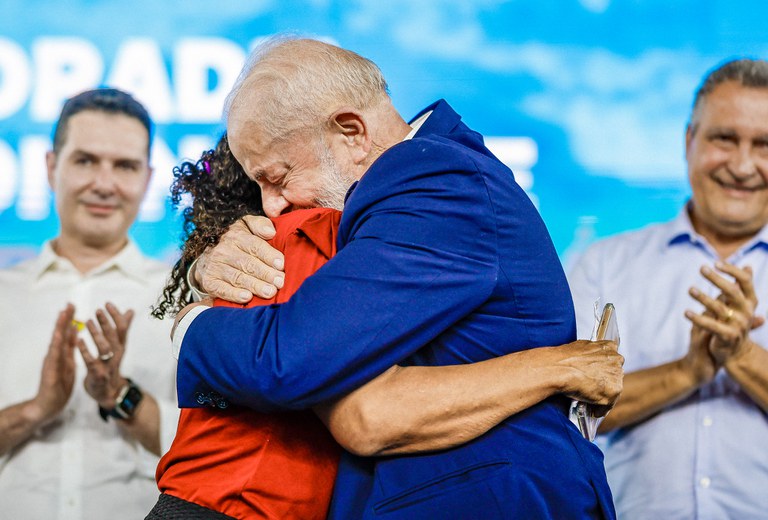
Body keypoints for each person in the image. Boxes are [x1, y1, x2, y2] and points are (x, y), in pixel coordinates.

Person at [173, 37, 623, 519]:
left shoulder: (437, 180)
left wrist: (190, 325)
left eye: (278, 177)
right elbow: (364, 415)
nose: (272, 206)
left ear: (351, 132)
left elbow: (292, 359)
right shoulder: (410, 190)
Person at [568, 58, 768, 519]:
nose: (742, 165)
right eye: (724, 138)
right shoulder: (604, 264)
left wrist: (741, 355)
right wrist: (687, 371)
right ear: (688, 142)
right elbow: (564, 414)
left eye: (763, 145)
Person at [0, 88, 178, 519]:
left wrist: (120, 395)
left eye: (125, 166)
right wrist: (36, 409)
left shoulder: (185, 300)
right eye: (85, 161)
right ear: (49, 167)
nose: (104, 184)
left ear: (148, 178)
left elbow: (211, 454)